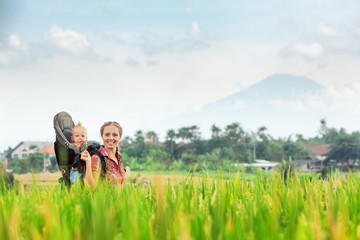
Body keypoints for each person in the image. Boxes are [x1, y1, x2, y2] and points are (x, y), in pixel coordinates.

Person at [83, 121, 126, 189]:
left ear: (120, 137)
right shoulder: (97, 158)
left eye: (115, 135)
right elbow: (91, 188)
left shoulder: (118, 156)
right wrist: (88, 162)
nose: (111, 138)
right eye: (107, 135)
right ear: (102, 136)